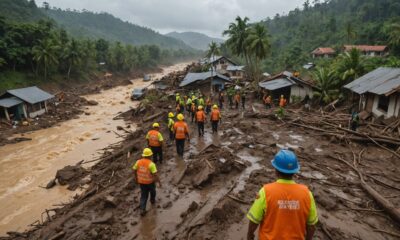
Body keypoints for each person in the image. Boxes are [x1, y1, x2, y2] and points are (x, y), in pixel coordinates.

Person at [246, 149, 318, 240]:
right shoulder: (307, 194)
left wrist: (250, 236)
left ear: (276, 170)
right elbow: (311, 225)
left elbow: (254, 220)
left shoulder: (265, 191)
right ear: (294, 171)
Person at [132, 148, 162, 216]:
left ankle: (142, 209)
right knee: (153, 191)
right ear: (150, 156)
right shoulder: (151, 164)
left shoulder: (138, 162)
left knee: (143, 195)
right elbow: (155, 174)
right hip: (150, 182)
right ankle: (152, 201)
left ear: (144, 155)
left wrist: (136, 178)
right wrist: (159, 182)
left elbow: (134, 170)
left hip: (141, 182)